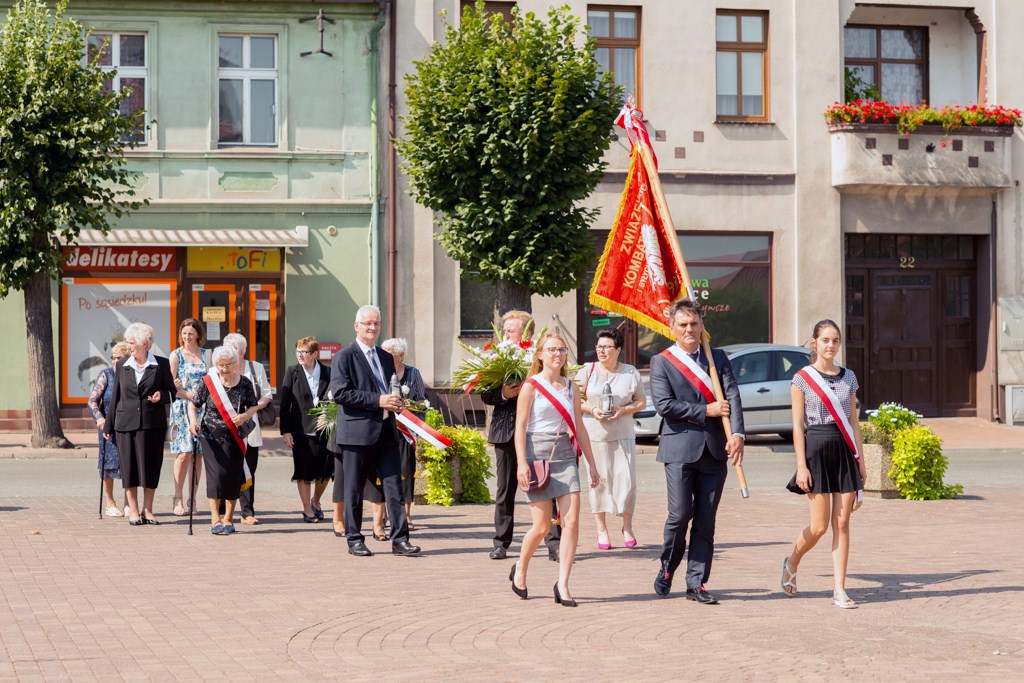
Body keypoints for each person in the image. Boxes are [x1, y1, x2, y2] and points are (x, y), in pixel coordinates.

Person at [650, 299, 745, 604]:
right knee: (680, 515)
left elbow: (732, 395)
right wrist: (707, 409)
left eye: (694, 324)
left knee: (706, 520)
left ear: (702, 325)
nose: (689, 329)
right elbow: (665, 406)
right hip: (679, 448)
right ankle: (667, 567)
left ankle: (696, 583)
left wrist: (739, 433)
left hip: (715, 450)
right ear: (672, 328)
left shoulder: (716, 358)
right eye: (683, 325)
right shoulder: (662, 361)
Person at [509, 333, 600, 607]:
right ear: (540, 355)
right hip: (536, 455)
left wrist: (591, 465)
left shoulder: (571, 387)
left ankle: (563, 585)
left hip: (564, 455)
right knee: (541, 526)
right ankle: (520, 569)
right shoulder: (530, 387)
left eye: (561, 349)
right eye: (551, 350)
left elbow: (579, 427)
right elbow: (520, 427)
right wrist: (521, 462)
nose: (557, 354)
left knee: (571, 522)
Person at [781, 319, 867, 609]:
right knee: (819, 527)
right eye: (825, 340)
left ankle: (839, 589)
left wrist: (861, 462)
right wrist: (801, 466)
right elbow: (796, 426)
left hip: (844, 450)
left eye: (835, 340)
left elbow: (854, 422)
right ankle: (792, 560)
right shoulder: (802, 378)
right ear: (814, 343)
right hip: (815, 448)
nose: (831, 345)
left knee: (842, 523)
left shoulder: (849, 377)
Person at [328, 305, 421, 557]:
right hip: (357, 433)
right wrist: (378, 400)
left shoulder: (385, 356)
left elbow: (391, 389)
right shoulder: (344, 356)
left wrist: (396, 402)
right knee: (354, 489)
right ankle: (354, 539)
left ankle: (400, 539)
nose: (372, 327)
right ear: (356, 326)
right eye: (368, 323)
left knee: (394, 488)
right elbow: (340, 393)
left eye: (376, 323)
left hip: (387, 431)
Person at [483, 310, 561, 562]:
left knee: (547, 487)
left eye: (510, 330)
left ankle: (554, 543)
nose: (505, 334)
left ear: (527, 333)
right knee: (505, 489)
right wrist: (505, 393)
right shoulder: (497, 357)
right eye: (504, 330)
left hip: (538, 432)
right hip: (507, 431)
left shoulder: (540, 357)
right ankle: (501, 543)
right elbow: (485, 395)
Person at [577, 328, 646, 549]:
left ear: (618, 350)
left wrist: (623, 410)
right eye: (599, 347)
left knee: (627, 481)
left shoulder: (630, 373)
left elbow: (641, 402)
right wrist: (592, 409)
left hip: (622, 434)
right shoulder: (587, 371)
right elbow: (575, 400)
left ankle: (627, 526)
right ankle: (601, 529)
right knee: (598, 481)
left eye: (607, 347)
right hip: (594, 435)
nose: (602, 351)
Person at [103, 322, 176, 526]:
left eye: (132, 342)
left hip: (152, 425)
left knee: (151, 467)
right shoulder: (123, 365)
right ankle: (133, 510)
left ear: (145, 343)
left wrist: (161, 395)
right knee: (130, 468)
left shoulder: (160, 364)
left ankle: (148, 510)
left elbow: (173, 394)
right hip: (125, 424)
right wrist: (108, 425)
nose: (129, 345)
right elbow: (115, 396)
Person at [188, 345, 259, 535]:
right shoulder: (209, 382)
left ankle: (228, 518)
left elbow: (254, 406)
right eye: (220, 365)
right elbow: (193, 405)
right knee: (216, 477)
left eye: (228, 365)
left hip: (234, 437)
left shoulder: (244, 383)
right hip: (210, 436)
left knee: (232, 477)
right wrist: (193, 422)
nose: (224, 369)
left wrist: (244, 416)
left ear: (235, 364)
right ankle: (215, 518)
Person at [364, 337, 428, 537]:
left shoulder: (413, 373)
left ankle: (406, 516)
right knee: (380, 477)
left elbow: (421, 401)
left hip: (405, 432)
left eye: (389, 354)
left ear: (401, 355)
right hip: (381, 429)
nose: (384, 357)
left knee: (406, 473)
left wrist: (409, 409)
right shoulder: (378, 370)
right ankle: (380, 518)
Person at [279, 336, 333, 524]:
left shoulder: (328, 372)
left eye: (305, 352)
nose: (300, 355)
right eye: (298, 352)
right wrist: (286, 431)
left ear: (315, 354)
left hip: (324, 429)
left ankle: (316, 501)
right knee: (303, 471)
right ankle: (307, 509)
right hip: (300, 429)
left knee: (325, 472)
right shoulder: (292, 371)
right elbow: (285, 404)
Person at [221, 333, 273, 525]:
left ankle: (247, 512)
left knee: (248, 470)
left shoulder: (255, 368)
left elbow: (266, 395)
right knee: (224, 469)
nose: (226, 351)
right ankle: (221, 512)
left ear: (241, 352)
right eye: (225, 347)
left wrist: (250, 411)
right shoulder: (217, 368)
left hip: (250, 426)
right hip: (225, 427)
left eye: (232, 348)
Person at [170, 318, 208, 516]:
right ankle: (177, 497)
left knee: (198, 454)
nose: (187, 337)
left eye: (190, 333)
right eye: (184, 333)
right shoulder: (176, 355)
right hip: (183, 408)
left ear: (198, 335)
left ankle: (193, 498)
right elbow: (171, 387)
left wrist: (203, 399)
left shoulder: (205, 355)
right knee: (184, 453)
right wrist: (189, 395)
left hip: (202, 409)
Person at [88, 341, 131, 517]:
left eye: (119, 358)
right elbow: (92, 401)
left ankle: (129, 503)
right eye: (113, 357)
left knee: (129, 465)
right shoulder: (106, 374)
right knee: (108, 465)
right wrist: (100, 419)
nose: (114, 361)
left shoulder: (132, 375)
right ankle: (110, 503)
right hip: (109, 426)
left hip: (129, 425)